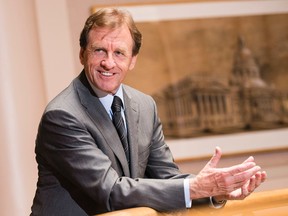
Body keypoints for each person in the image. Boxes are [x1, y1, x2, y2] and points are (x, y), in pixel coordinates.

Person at [30, 7, 267, 216]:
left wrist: (216, 192)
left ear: (132, 60)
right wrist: (197, 186)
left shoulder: (144, 106)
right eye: (99, 50)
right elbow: (111, 191)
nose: (108, 63)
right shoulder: (62, 116)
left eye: (119, 53)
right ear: (82, 54)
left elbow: (165, 178)